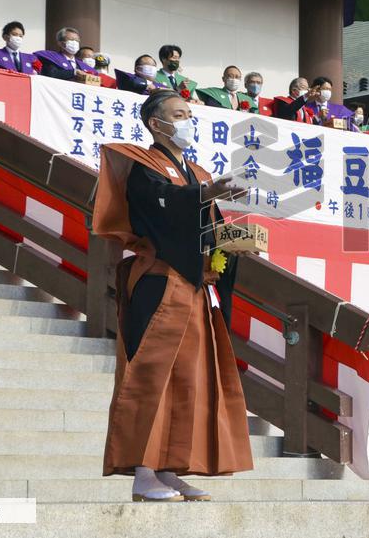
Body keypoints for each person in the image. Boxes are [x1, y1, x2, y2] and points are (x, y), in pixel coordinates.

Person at [92, 90, 254, 502]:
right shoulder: (143, 166)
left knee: (189, 377)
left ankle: (170, 467)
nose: (187, 121)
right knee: (151, 375)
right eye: (178, 114)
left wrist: (237, 240)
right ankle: (143, 472)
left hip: (194, 286)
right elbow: (161, 209)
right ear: (156, 123)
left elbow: (207, 228)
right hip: (160, 279)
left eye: (189, 114)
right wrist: (205, 194)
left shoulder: (196, 172)